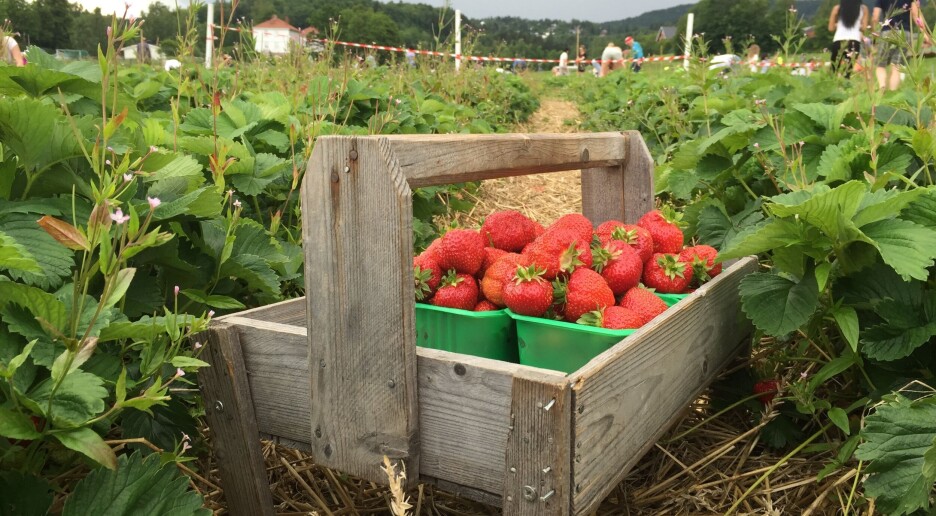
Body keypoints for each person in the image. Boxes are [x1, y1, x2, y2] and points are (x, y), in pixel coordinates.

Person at [872, 0, 927, 90]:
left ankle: (882, 88)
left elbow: (875, 17)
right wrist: (924, 33)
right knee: (897, 65)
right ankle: (893, 92)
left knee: (880, 64)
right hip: (905, 32)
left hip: (887, 31)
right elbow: (915, 14)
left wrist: (874, 36)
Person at [829, 0, 869, 78]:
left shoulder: (837, 8)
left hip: (839, 40)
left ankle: (834, 87)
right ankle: (845, 86)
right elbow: (864, 28)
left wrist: (838, 25)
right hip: (854, 41)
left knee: (834, 69)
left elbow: (830, 28)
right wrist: (857, 26)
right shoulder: (864, 9)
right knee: (848, 71)